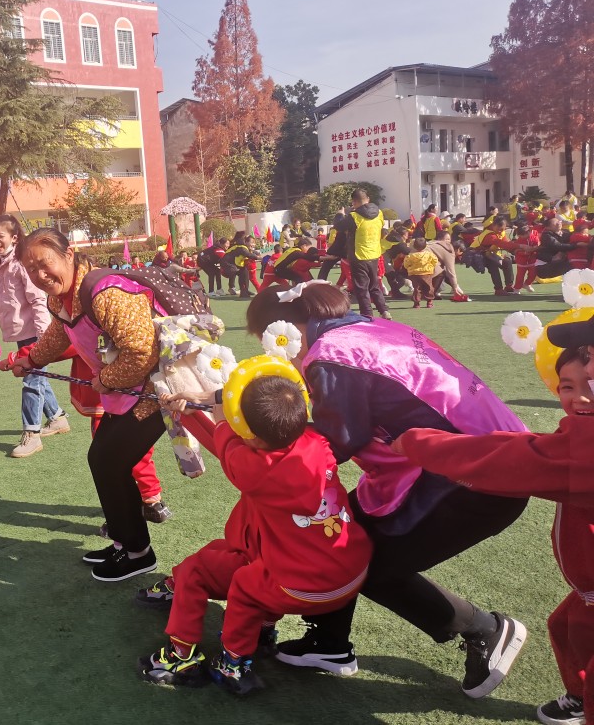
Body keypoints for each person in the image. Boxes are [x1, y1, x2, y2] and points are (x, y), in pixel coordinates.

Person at [163, 284, 530, 697]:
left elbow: (335, 437)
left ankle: (484, 629)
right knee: (338, 537)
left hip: (471, 477)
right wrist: (217, 398)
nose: (284, 360)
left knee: (365, 562)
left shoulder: (330, 355)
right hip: (477, 459)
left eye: (276, 345)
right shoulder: (362, 329)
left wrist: (244, 440)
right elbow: (292, 405)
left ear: (286, 330)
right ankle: (330, 642)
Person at [394, 344, 594, 725]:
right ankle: (580, 698)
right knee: (567, 627)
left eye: (592, 382)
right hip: (587, 589)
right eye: (568, 386)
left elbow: (510, 461)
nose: (580, 396)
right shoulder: (580, 434)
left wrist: (420, 444)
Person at [139, 376, 372, 694]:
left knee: (230, 580)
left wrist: (215, 414)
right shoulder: (316, 439)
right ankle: (263, 629)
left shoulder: (256, 470)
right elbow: (229, 445)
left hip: (301, 585)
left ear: (251, 436)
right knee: (241, 554)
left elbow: (226, 440)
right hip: (351, 573)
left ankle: (209, 661)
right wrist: (193, 409)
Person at [12, 228, 167, 582]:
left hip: (154, 393)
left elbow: (143, 351)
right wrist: (31, 360)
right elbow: (58, 335)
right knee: (104, 461)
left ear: (69, 254)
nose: (40, 274)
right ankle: (125, 544)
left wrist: (107, 379)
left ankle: (138, 553)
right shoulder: (62, 299)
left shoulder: (106, 292)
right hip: (125, 393)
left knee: (108, 461)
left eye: (45, 263)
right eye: (31, 269)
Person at [0, 214, 69, 458]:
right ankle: (57, 417)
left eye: (1, 236)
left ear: (14, 237)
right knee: (36, 377)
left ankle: (31, 434)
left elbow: (37, 300)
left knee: (32, 381)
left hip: (35, 332)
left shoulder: (22, 264)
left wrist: (44, 337)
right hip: (19, 332)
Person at [334, 188, 391, 320]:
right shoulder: (379, 213)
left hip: (358, 255)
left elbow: (339, 226)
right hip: (374, 253)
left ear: (354, 202)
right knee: (374, 285)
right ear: (368, 199)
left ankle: (367, 314)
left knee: (361, 287)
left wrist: (339, 215)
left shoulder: (354, 216)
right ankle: (384, 310)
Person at [470, 216, 518, 295]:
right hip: (476, 254)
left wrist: (516, 251)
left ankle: (509, 286)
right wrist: (520, 246)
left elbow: (507, 244)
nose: (500, 231)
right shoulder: (489, 235)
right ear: (493, 225)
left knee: (507, 261)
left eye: (503, 229)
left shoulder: (501, 233)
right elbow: (502, 244)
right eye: (499, 229)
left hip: (490, 253)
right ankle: (498, 289)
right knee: (492, 264)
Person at [427, 231, 468, 301]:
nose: (449, 242)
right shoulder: (448, 249)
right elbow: (451, 272)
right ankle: (430, 294)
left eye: (450, 240)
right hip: (425, 269)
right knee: (441, 273)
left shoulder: (430, 243)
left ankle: (428, 292)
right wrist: (455, 288)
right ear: (458, 249)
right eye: (447, 239)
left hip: (412, 266)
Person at [403, 237, 438, 308]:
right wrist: (431, 266)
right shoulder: (429, 254)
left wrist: (409, 268)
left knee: (417, 288)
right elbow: (435, 261)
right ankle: (429, 302)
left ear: (414, 246)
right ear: (425, 246)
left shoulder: (410, 256)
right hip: (427, 273)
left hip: (414, 274)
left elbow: (406, 264)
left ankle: (417, 303)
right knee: (429, 287)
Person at [536, 216, 576, 280]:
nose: (558, 223)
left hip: (558, 262)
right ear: (548, 227)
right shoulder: (546, 235)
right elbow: (558, 246)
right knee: (570, 265)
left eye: (558, 221)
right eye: (554, 223)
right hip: (544, 265)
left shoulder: (566, 232)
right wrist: (576, 245)